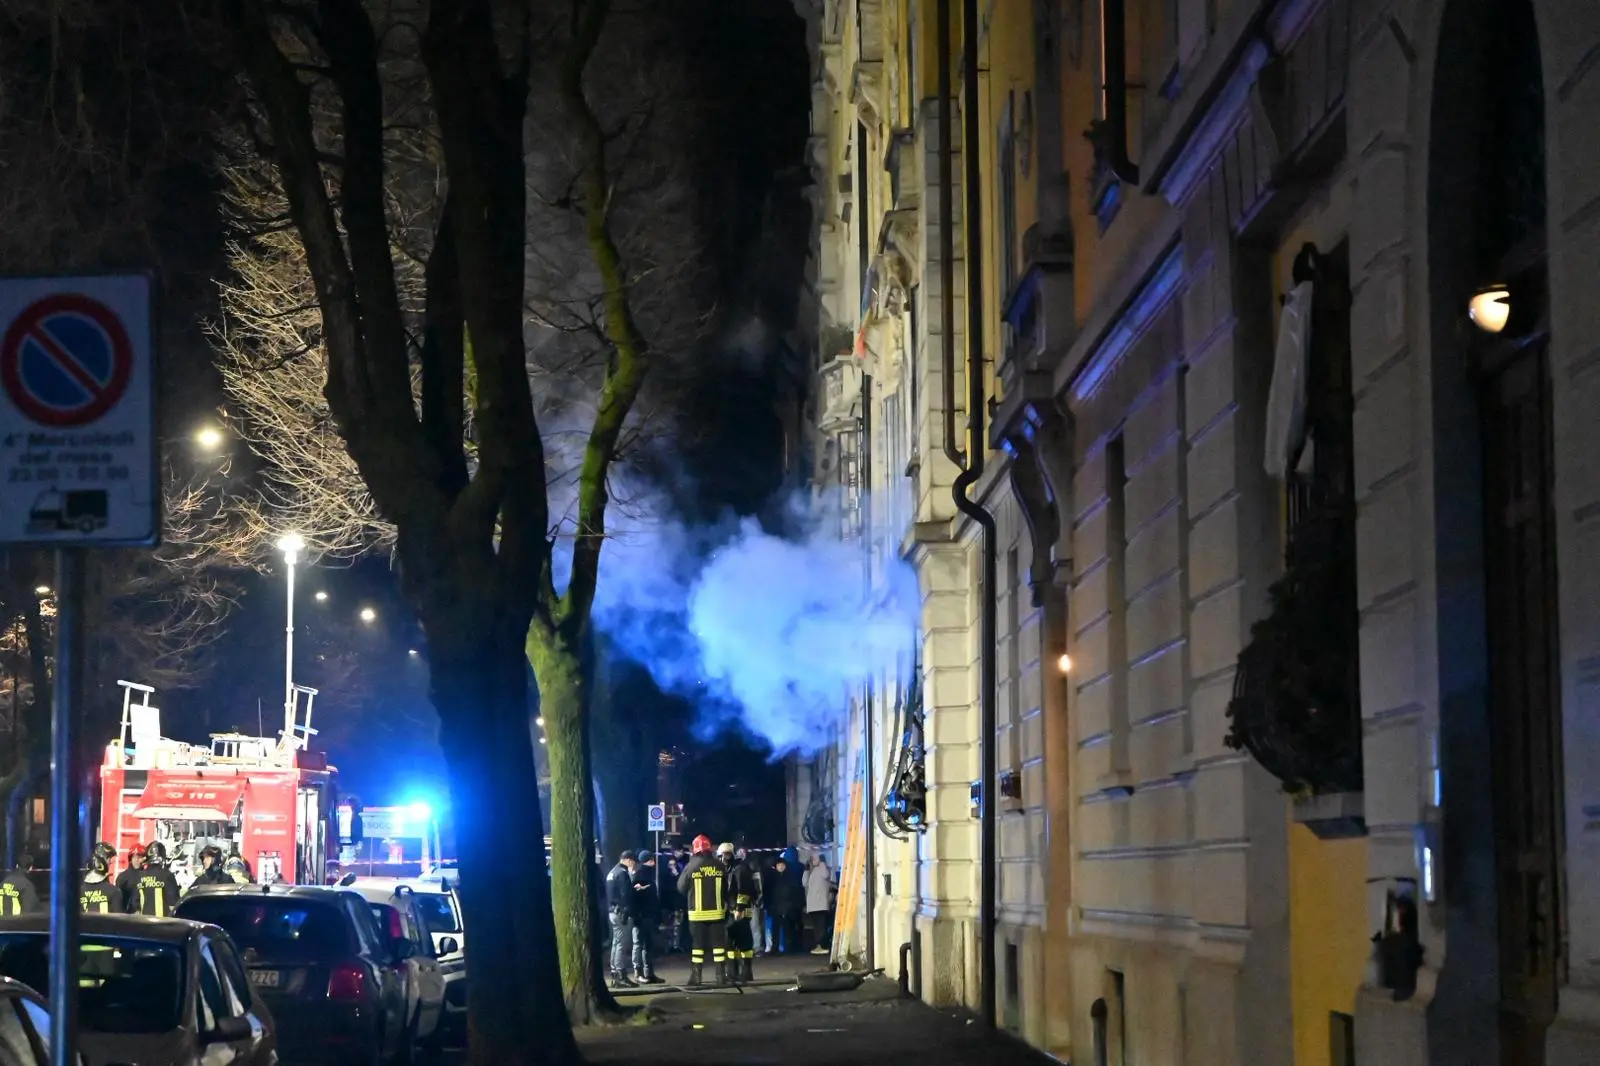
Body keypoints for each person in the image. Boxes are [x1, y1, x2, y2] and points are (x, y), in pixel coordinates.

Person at [676, 834, 729, 986]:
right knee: (719, 946)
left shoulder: (691, 866)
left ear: (695, 849)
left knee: (698, 947)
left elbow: (680, 887)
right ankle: (721, 977)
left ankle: (696, 977)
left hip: (697, 915)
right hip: (717, 913)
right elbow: (726, 889)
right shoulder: (720, 866)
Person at [604, 850, 639, 988]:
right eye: (632, 861)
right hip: (620, 913)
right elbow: (625, 895)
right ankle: (620, 975)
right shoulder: (622, 874)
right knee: (621, 944)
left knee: (615, 942)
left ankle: (614, 973)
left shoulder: (612, 872)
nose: (633, 864)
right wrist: (627, 911)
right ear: (628, 860)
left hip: (612, 911)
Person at [724, 845, 757, 984]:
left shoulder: (740, 870)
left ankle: (745, 971)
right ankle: (734, 972)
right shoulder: (732, 870)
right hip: (733, 911)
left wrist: (739, 908)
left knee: (743, 941)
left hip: (739, 912)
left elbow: (743, 890)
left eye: (726, 855)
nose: (723, 858)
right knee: (731, 943)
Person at [630, 850, 664, 984]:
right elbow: (636, 898)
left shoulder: (644, 875)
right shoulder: (641, 876)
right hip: (643, 916)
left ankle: (648, 973)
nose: (654, 862)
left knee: (647, 945)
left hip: (646, 916)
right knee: (640, 945)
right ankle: (640, 973)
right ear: (648, 861)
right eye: (652, 860)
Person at [131, 841, 182, 917]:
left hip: (144, 924)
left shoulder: (139, 876)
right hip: (162, 925)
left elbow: (135, 907)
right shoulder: (167, 875)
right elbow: (173, 905)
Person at [766, 856, 803, 954]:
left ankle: (789, 948)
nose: (781, 867)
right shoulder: (772, 878)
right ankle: (775, 948)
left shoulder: (791, 877)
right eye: (779, 865)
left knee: (788, 928)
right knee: (775, 929)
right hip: (776, 907)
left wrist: (793, 905)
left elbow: (796, 892)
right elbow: (768, 893)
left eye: (782, 865)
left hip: (788, 907)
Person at [803, 851, 833, 955]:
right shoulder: (812, 871)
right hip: (812, 904)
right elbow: (804, 883)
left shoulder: (823, 869)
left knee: (821, 925)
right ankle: (818, 945)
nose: (812, 860)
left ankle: (822, 945)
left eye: (815, 858)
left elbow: (826, 875)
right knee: (816, 926)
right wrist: (806, 870)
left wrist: (822, 862)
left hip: (821, 903)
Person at [80, 844, 120, 913]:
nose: (110, 862)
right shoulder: (114, 891)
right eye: (108, 859)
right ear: (100, 862)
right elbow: (120, 920)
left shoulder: (78, 891)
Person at [113, 844, 146, 913]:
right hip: (128, 917)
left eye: (139, 857)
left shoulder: (148, 876)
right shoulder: (122, 877)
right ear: (130, 859)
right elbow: (117, 902)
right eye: (134, 857)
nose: (137, 860)